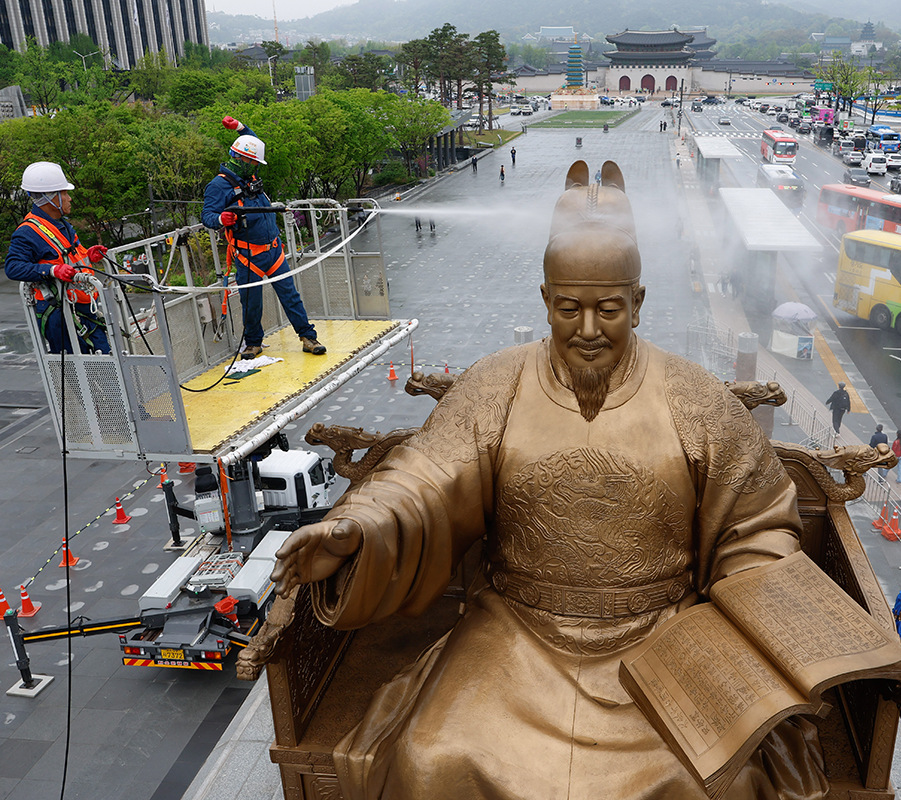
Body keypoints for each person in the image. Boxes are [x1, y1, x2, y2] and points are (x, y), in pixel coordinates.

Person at [272, 160, 830, 800]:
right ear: (545, 301)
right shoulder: (497, 384)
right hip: (516, 634)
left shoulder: (696, 400)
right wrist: (360, 528)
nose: (588, 331)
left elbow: (758, 524)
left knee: (703, 779)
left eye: (608, 310)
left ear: (638, 304)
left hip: (657, 640)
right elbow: (424, 476)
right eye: (569, 308)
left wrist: (741, 610)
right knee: (432, 757)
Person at [202, 116, 326, 359]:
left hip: (274, 250)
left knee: (290, 295)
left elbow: (252, 142)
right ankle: (253, 342)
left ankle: (308, 337)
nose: (256, 166)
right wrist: (221, 220)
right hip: (248, 255)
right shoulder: (219, 186)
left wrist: (239, 127)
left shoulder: (248, 176)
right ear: (240, 159)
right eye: (253, 162)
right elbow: (207, 214)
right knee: (251, 302)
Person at [4, 162, 111, 355]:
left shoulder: (62, 225)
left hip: (82, 308)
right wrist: (51, 271)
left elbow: (70, 257)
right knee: (81, 372)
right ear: (50, 198)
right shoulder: (28, 232)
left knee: (106, 362)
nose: (70, 198)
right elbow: (13, 267)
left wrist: (89, 255)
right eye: (64, 193)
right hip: (58, 312)